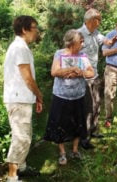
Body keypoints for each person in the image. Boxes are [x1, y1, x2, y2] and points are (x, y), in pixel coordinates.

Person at [44, 29, 95, 165]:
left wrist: (81, 72)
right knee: (60, 124)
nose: (83, 44)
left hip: (78, 96)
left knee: (78, 123)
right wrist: (71, 69)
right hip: (61, 96)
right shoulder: (59, 54)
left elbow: (91, 72)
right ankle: (62, 153)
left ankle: (75, 150)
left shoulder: (83, 56)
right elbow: (54, 71)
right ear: (72, 43)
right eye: (81, 41)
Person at [3, 15, 43, 182]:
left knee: (25, 135)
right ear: (25, 29)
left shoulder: (20, 47)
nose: (37, 32)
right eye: (34, 28)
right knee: (20, 138)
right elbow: (27, 78)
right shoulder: (20, 48)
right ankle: (12, 177)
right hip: (18, 100)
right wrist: (39, 95)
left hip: (21, 99)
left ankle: (23, 167)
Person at [77, 8, 116, 149]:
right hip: (84, 77)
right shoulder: (78, 34)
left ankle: (93, 130)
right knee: (87, 107)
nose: (100, 22)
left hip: (95, 76)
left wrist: (112, 40)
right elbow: (72, 54)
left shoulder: (96, 33)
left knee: (97, 103)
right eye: (98, 19)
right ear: (91, 20)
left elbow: (106, 41)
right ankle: (84, 138)